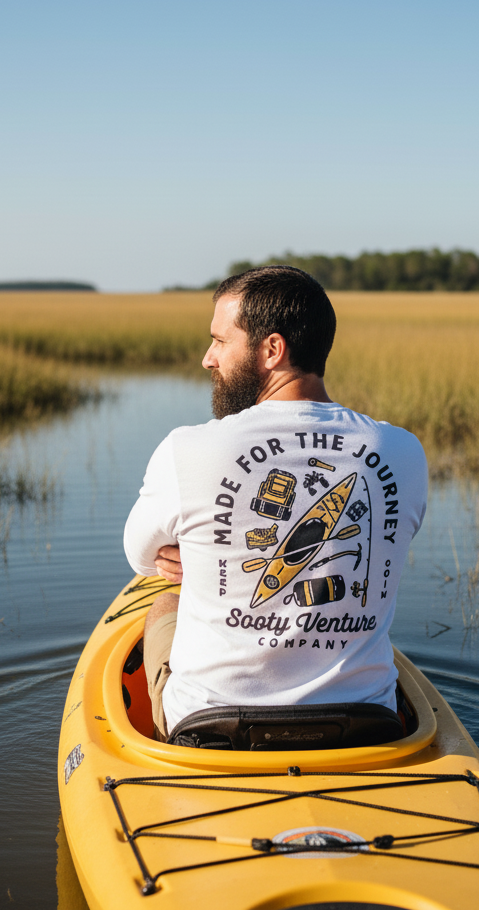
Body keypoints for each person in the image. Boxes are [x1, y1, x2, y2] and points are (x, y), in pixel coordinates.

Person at [124, 266, 427, 742]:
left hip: (214, 728)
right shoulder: (403, 451)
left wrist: (202, 557)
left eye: (220, 341)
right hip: (366, 726)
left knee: (164, 602)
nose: (208, 358)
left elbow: (141, 558)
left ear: (271, 349)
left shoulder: (187, 449)